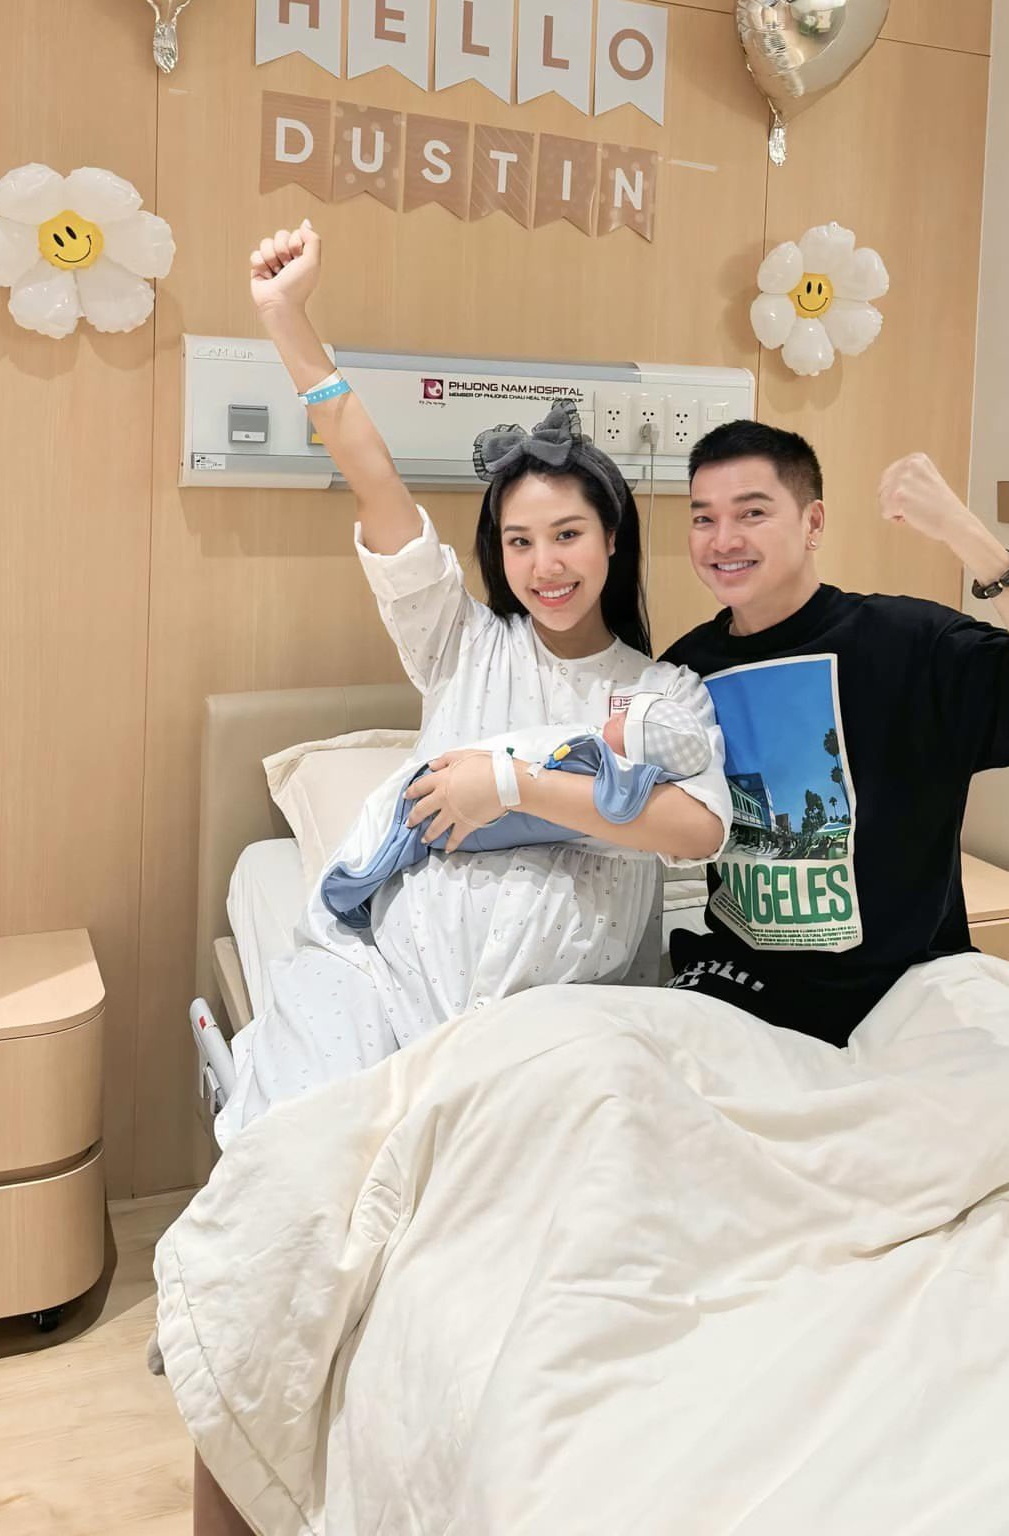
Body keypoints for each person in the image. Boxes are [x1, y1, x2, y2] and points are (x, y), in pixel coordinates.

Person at [216, 222, 730, 1140]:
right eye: (519, 542)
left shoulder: (663, 693)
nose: (545, 566)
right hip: (399, 989)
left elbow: (694, 830)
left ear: (613, 538)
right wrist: (288, 320)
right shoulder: (462, 645)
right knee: (306, 1144)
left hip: (568, 1020)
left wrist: (508, 786)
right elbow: (375, 483)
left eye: (567, 535)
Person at [660, 419, 1009, 1047]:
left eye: (752, 513)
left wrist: (966, 534)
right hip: (744, 981)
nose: (723, 540)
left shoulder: (906, 642)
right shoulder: (683, 674)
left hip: (905, 988)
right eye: (703, 518)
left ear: (813, 523)